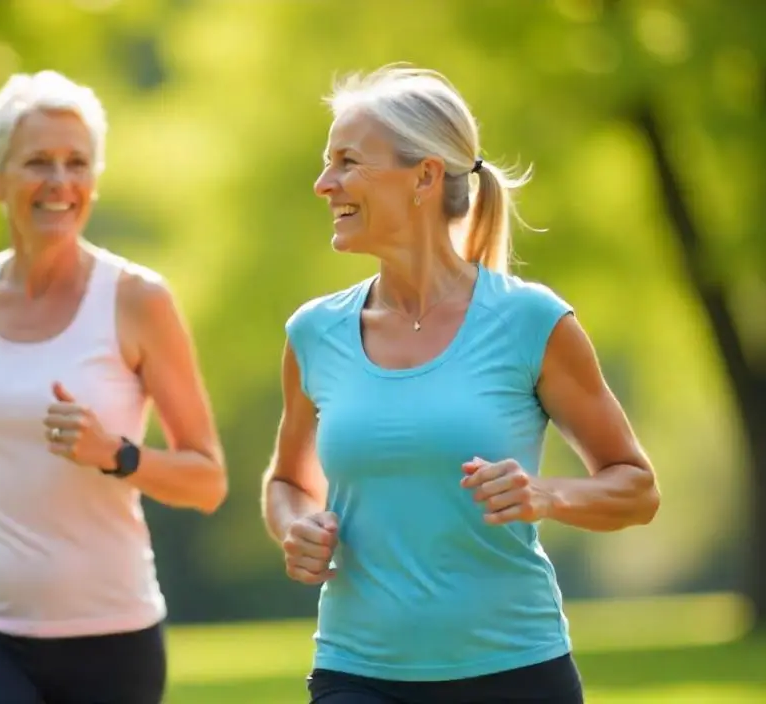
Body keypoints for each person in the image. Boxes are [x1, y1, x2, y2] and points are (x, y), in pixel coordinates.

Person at [262, 64, 661, 704]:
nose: (323, 183)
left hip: (515, 673)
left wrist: (545, 496)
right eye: (326, 161)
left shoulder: (531, 321)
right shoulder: (314, 333)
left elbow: (636, 489)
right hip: (357, 674)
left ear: (424, 176)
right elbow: (287, 481)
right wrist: (295, 526)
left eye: (347, 161)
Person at [0, 69, 228, 704]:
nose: (60, 182)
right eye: (38, 162)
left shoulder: (137, 300)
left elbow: (208, 480)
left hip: (112, 631)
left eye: (77, 163)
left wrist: (117, 455)